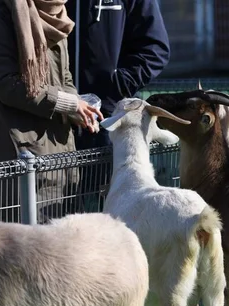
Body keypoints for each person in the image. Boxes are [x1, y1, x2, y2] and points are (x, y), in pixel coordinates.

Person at [0, 0, 102, 222]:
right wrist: (67, 104)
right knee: (21, 246)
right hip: (21, 156)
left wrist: (78, 108)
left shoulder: (55, 14)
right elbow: (5, 83)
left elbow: (65, 76)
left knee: (61, 244)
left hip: (60, 152)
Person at [65, 0, 170, 212]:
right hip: (58, 120)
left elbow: (155, 49)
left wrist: (117, 84)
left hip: (110, 122)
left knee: (112, 213)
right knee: (60, 212)